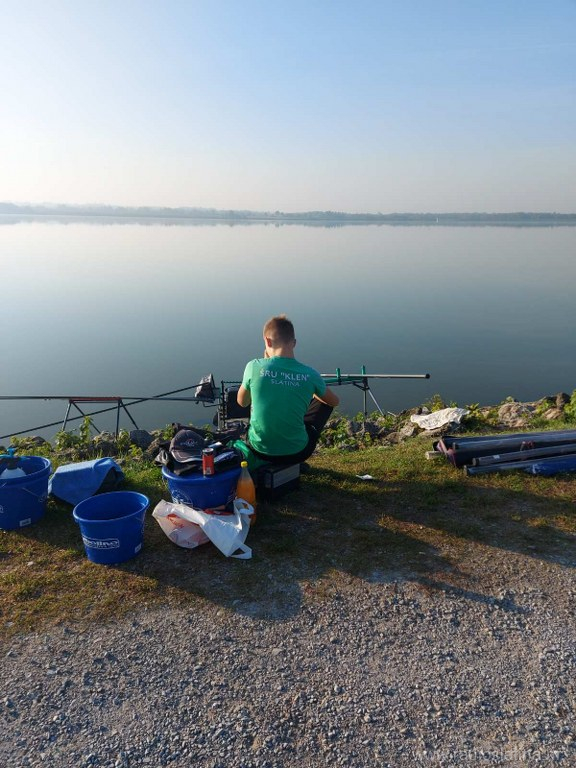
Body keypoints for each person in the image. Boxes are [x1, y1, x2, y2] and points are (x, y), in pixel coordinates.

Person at [237, 315, 339, 465]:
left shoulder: (254, 366)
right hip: (297, 452)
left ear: (267, 341)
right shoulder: (310, 374)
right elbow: (334, 401)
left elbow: (242, 402)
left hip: (259, 450)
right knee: (325, 402)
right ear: (294, 343)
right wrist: (306, 390)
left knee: (256, 392)